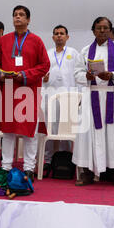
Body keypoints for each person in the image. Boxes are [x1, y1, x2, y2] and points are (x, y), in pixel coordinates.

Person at [0, 5, 50, 181]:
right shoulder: (4, 40)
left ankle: (29, 168)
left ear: (28, 20)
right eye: (15, 15)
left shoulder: (37, 40)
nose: (18, 17)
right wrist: (0, 74)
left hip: (28, 89)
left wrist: (24, 75)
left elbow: (44, 66)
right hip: (9, 88)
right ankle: (6, 167)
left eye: (21, 15)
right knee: (8, 130)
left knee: (28, 130)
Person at [72, 17, 114, 187]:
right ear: (93, 31)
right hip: (92, 96)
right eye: (99, 28)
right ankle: (87, 172)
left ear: (110, 30)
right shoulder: (85, 51)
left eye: (106, 28)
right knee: (88, 135)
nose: (102, 31)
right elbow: (76, 73)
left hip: (112, 96)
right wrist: (87, 76)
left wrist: (112, 75)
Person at [41, 25, 79, 172]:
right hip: (49, 96)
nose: (59, 36)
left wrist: (78, 97)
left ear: (67, 37)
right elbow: (41, 73)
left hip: (69, 96)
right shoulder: (47, 54)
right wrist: (43, 79)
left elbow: (78, 75)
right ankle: (48, 159)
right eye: (56, 33)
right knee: (50, 129)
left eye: (62, 33)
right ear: (52, 37)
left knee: (66, 129)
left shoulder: (73, 53)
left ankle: (67, 158)